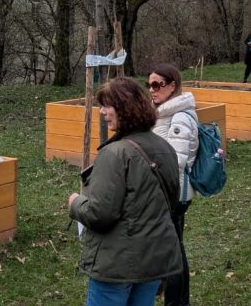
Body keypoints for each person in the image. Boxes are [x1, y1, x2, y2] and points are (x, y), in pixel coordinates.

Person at [68, 77, 182, 306]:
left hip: (116, 265)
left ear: (124, 108)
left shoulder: (115, 153)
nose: (102, 112)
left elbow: (99, 214)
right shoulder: (165, 147)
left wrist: (75, 203)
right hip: (153, 258)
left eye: (107, 106)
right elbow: (172, 200)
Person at [147, 64, 198, 306]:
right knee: (172, 247)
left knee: (174, 252)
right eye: (149, 85)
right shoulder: (164, 113)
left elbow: (176, 161)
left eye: (157, 85)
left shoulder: (179, 116)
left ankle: (177, 302)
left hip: (175, 194)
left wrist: (145, 162)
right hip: (166, 191)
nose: (152, 90)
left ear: (172, 86)